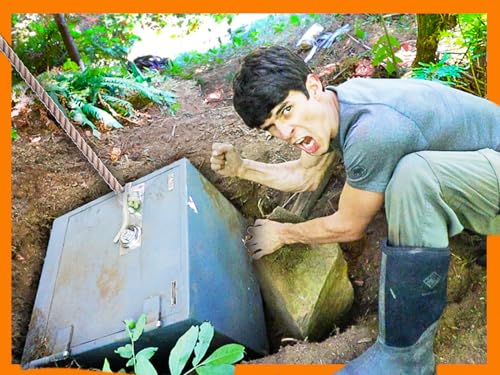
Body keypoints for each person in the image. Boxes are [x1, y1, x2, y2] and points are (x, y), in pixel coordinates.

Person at [210, 45, 500, 374]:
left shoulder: (370, 131)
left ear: (314, 86)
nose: (285, 133)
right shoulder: (335, 107)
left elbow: (349, 226)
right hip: (484, 168)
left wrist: (285, 234)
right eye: (271, 127)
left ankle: (405, 357)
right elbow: (305, 174)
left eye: (287, 111)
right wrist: (242, 168)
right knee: (410, 176)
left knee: (413, 177)